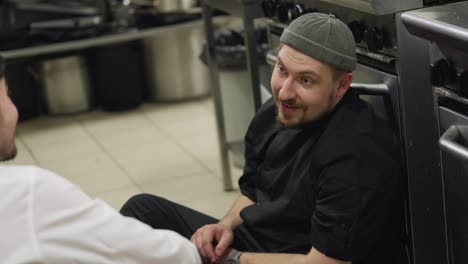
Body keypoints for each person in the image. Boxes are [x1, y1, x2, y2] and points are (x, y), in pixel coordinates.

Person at [120, 13, 406, 264]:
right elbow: (254, 192)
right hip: (257, 245)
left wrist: (233, 259)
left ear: (342, 85)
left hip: (301, 258)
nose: (284, 92)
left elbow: (324, 263)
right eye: (282, 69)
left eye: (306, 80)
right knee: (141, 211)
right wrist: (225, 226)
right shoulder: (277, 111)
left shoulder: (355, 152)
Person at [0, 56, 201, 263]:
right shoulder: (28, 192)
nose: (14, 109)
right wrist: (224, 256)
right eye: (7, 95)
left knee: (142, 206)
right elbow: (146, 252)